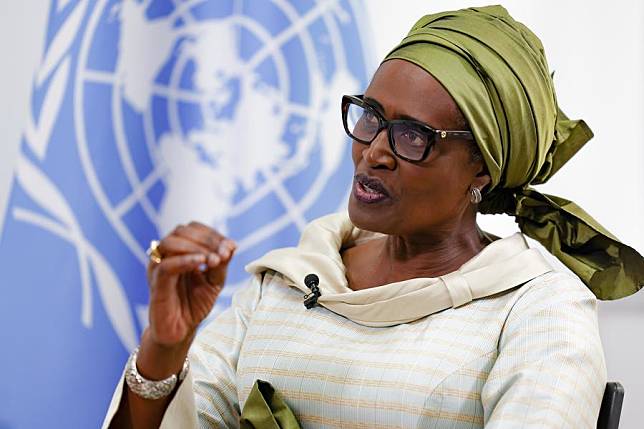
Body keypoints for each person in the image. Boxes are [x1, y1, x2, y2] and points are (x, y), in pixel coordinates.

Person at [103, 5, 643, 429]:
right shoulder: (290, 282)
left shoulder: (537, 308)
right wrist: (165, 349)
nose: (374, 151)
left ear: (482, 169)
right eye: (370, 117)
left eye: (412, 136)